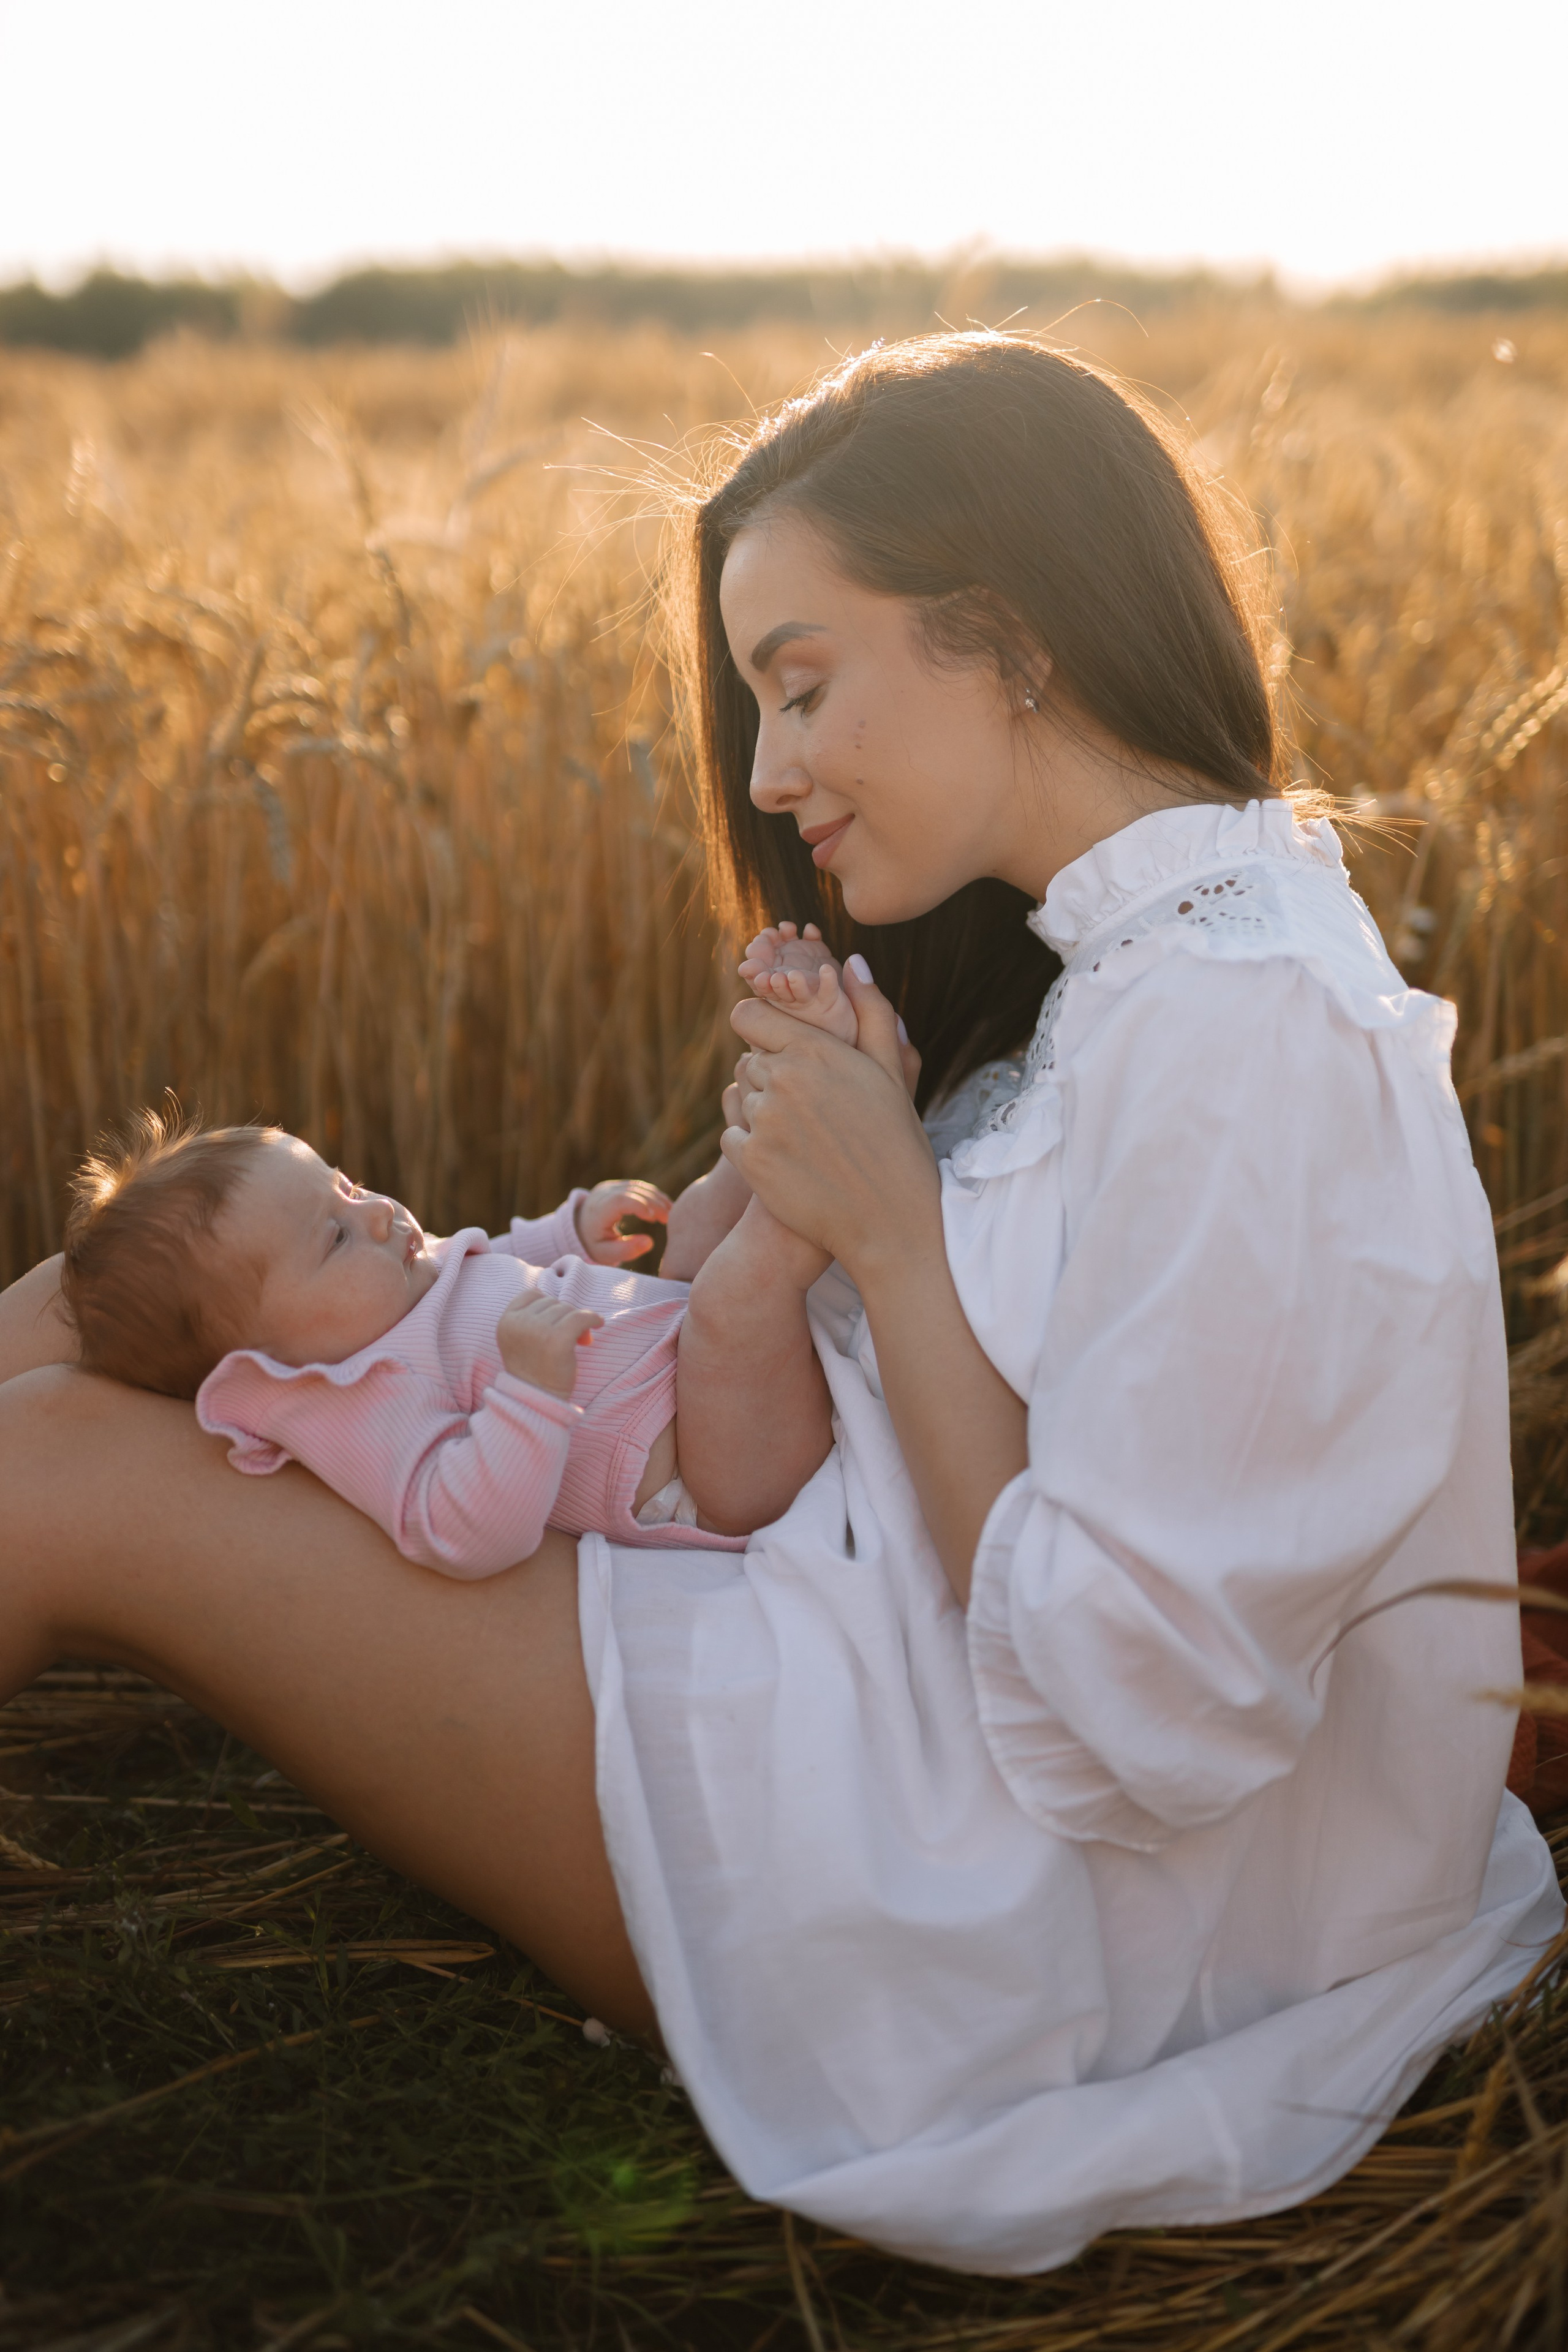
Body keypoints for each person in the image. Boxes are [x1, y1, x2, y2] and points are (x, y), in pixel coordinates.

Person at [0, 333, 1558, 2275]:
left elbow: (1135, 1715)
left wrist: (891, 1241)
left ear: (1013, 638)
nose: (764, 771)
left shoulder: (1248, 1035)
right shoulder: (1148, 961)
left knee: (49, 1470)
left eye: (803, 687)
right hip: (832, 1649)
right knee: (116, 1288)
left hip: (963, 1887)